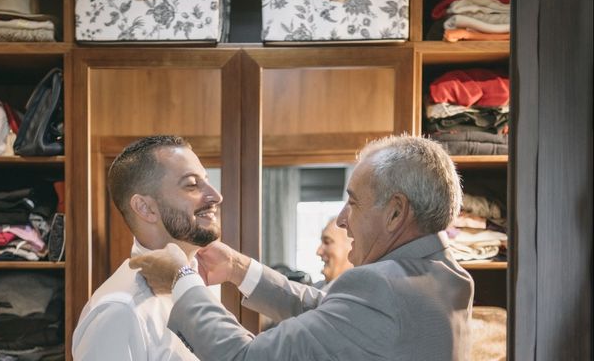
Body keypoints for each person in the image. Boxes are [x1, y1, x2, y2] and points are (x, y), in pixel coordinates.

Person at [130, 134, 474, 360]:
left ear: (396, 212)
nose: (342, 220)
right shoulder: (443, 274)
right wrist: (239, 269)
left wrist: (183, 279)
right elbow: (328, 311)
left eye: (353, 203)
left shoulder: (384, 288)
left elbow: (243, 358)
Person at [72, 135, 222, 360]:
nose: (216, 196)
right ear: (145, 208)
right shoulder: (119, 311)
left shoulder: (204, 284)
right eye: (192, 184)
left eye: (207, 180)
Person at [314, 217, 353, 290]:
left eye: (327, 242)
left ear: (352, 247)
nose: (318, 252)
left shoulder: (355, 294)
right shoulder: (317, 287)